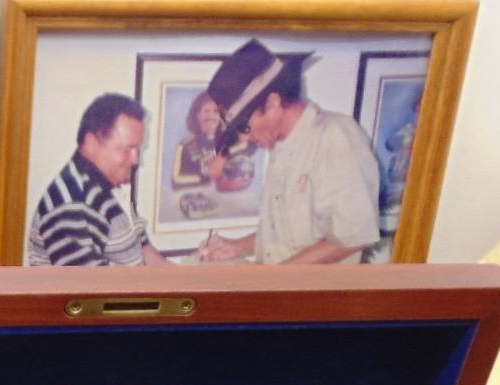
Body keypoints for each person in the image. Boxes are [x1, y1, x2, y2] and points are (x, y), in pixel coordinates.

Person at [195, 40, 381, 265]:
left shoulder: (335, 137)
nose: (244, 138)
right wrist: (237, 247)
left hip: (313, 288)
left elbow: (353, 237)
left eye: (244, 127)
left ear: (273, 103)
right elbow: (288, 236)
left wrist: (276, 278)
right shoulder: (281, 145)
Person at [25, 92, 171, 267]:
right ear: (91, 143)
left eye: (138, 149)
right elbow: (87, 284)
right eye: (127, 149)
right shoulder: (71, 205)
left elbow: (143, 249)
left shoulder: (110, 184)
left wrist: (186, 276)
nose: (135, 160)